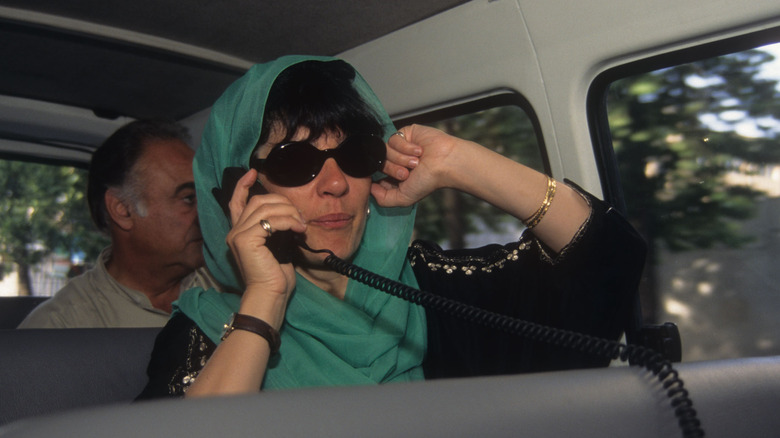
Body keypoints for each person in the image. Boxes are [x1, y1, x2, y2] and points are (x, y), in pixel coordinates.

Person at [137, 55, 645, 398]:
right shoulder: (206, 333)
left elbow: (606, 257)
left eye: (356, 154)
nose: (336, 184)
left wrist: (458, 163)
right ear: (237, 192)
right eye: (296, 162)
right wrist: (265, 298)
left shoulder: (431, 284)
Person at [19, 119, 222, 328]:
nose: (207, 212)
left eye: (205, 196)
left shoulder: (234, 284)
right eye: (188, 198)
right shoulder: (60, 327)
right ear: (122, 210)